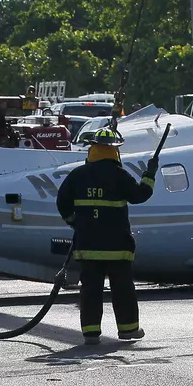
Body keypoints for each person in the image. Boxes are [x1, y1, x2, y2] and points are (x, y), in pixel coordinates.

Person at [56, 127, 157, 345]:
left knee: (90, 290)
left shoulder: (77, 175)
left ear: (92, 149)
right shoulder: (119, 175)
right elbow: (140, 195)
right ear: (114, 151)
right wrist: (150, 174)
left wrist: (76, 224)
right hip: (117, 247)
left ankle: (91, 334)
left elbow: (62, 203)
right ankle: (128, 330)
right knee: (123, 289)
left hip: (87, 245)